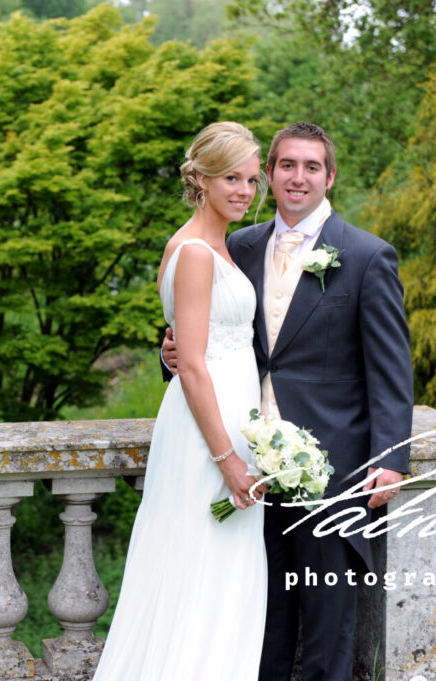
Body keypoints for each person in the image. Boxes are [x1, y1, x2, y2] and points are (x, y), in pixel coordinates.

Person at [162, 121, 413, 681]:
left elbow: (390, 369)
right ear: (270, 175)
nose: (298, 178)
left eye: (312, 167)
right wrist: (171, 354)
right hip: (248, 464)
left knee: (327, 624)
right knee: (257, 620)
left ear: (331, 177)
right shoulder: (237, 246)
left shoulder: (367, 256)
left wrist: (392, 459)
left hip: (333, 471)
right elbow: (207, 339)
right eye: (286, 166)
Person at [92, 122, 270, 681]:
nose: (244, 190)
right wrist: (228, 460)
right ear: (201, 180)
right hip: (207, 439)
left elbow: (190, 343)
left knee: (218, 574)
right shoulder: (194, 250)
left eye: (250, 179)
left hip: (229, 424)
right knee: (199, 569)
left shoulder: (220, 244)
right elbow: (190, 364)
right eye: (231, 179)